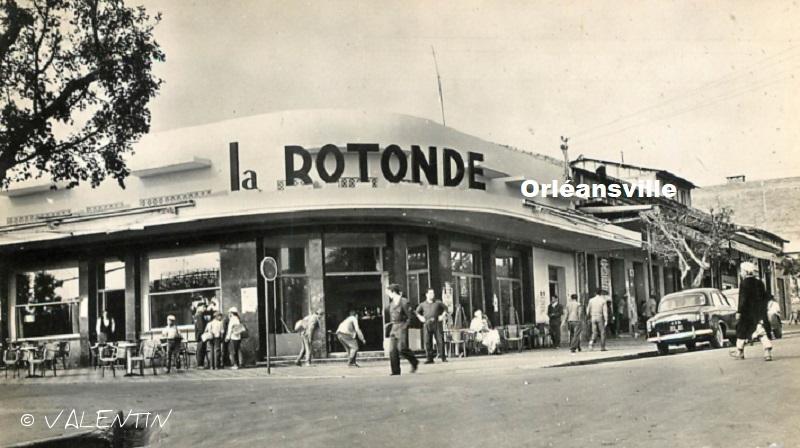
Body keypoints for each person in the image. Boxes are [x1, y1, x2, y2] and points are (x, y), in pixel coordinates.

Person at [730, 262, 773, 361]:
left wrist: (739, 311)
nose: (741, 273)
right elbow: (765, 297)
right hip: (759, 312)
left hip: (747, 312)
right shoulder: (760, 282)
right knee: (761, 331)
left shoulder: (744, 283)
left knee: (741, 331)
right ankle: (767, 352)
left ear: (745, 272)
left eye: (741, 271)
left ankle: (739, 351)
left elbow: (743, 299)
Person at [385, 283, 419, 375]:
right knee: (392, 350)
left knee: (402, 348)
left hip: (402, 325)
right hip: (394, 327)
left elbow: (410, 316)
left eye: (388, 292)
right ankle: (395, 371)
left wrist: (405, 326)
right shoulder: (391, 304)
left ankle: (414, 361)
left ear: (393, 292)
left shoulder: (404, 302)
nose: (388, 294)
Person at [415, 288, 448, 364]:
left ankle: (443, 357)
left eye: (433, 293)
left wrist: (442, 316)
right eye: (430, 293)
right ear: (426, 294)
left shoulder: (438, 302)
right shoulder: (423, 304)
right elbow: (416, 312)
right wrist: (421, 318)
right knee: (427, 341)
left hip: (436, 323)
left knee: (440, 340)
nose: (432, 295)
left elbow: (446, 308)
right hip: (427, 323)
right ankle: (429, 358)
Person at [192, 297, 209, 367]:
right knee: (201, 350)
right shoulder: (199, 315)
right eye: (203, 307)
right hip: (201, 336)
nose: (205, 308)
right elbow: (201, 327)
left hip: (199, 336)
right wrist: (201, 335)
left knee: (200, 350)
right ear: (199, 308)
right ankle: (200, 364)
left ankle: (200, 364)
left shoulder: (197, 315)